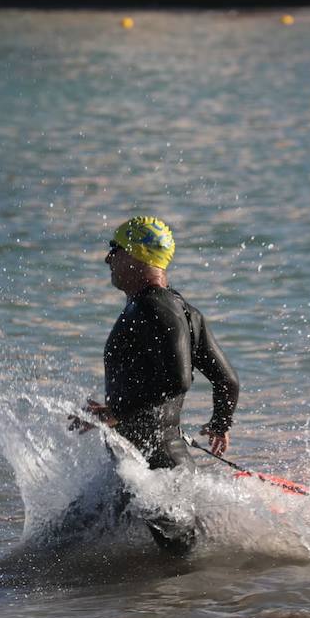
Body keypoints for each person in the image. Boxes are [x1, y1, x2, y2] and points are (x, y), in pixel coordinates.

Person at [68, 217, 239, 551]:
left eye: (113, 250)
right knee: (63, 545)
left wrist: (117, 412)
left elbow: (178, 378)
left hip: (155, 472)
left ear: (136, 256)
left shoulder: (154, 308)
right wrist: (220, 423)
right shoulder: (182, 311)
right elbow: (227, 382)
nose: (108, 260)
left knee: (182, 566)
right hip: (142, 469)